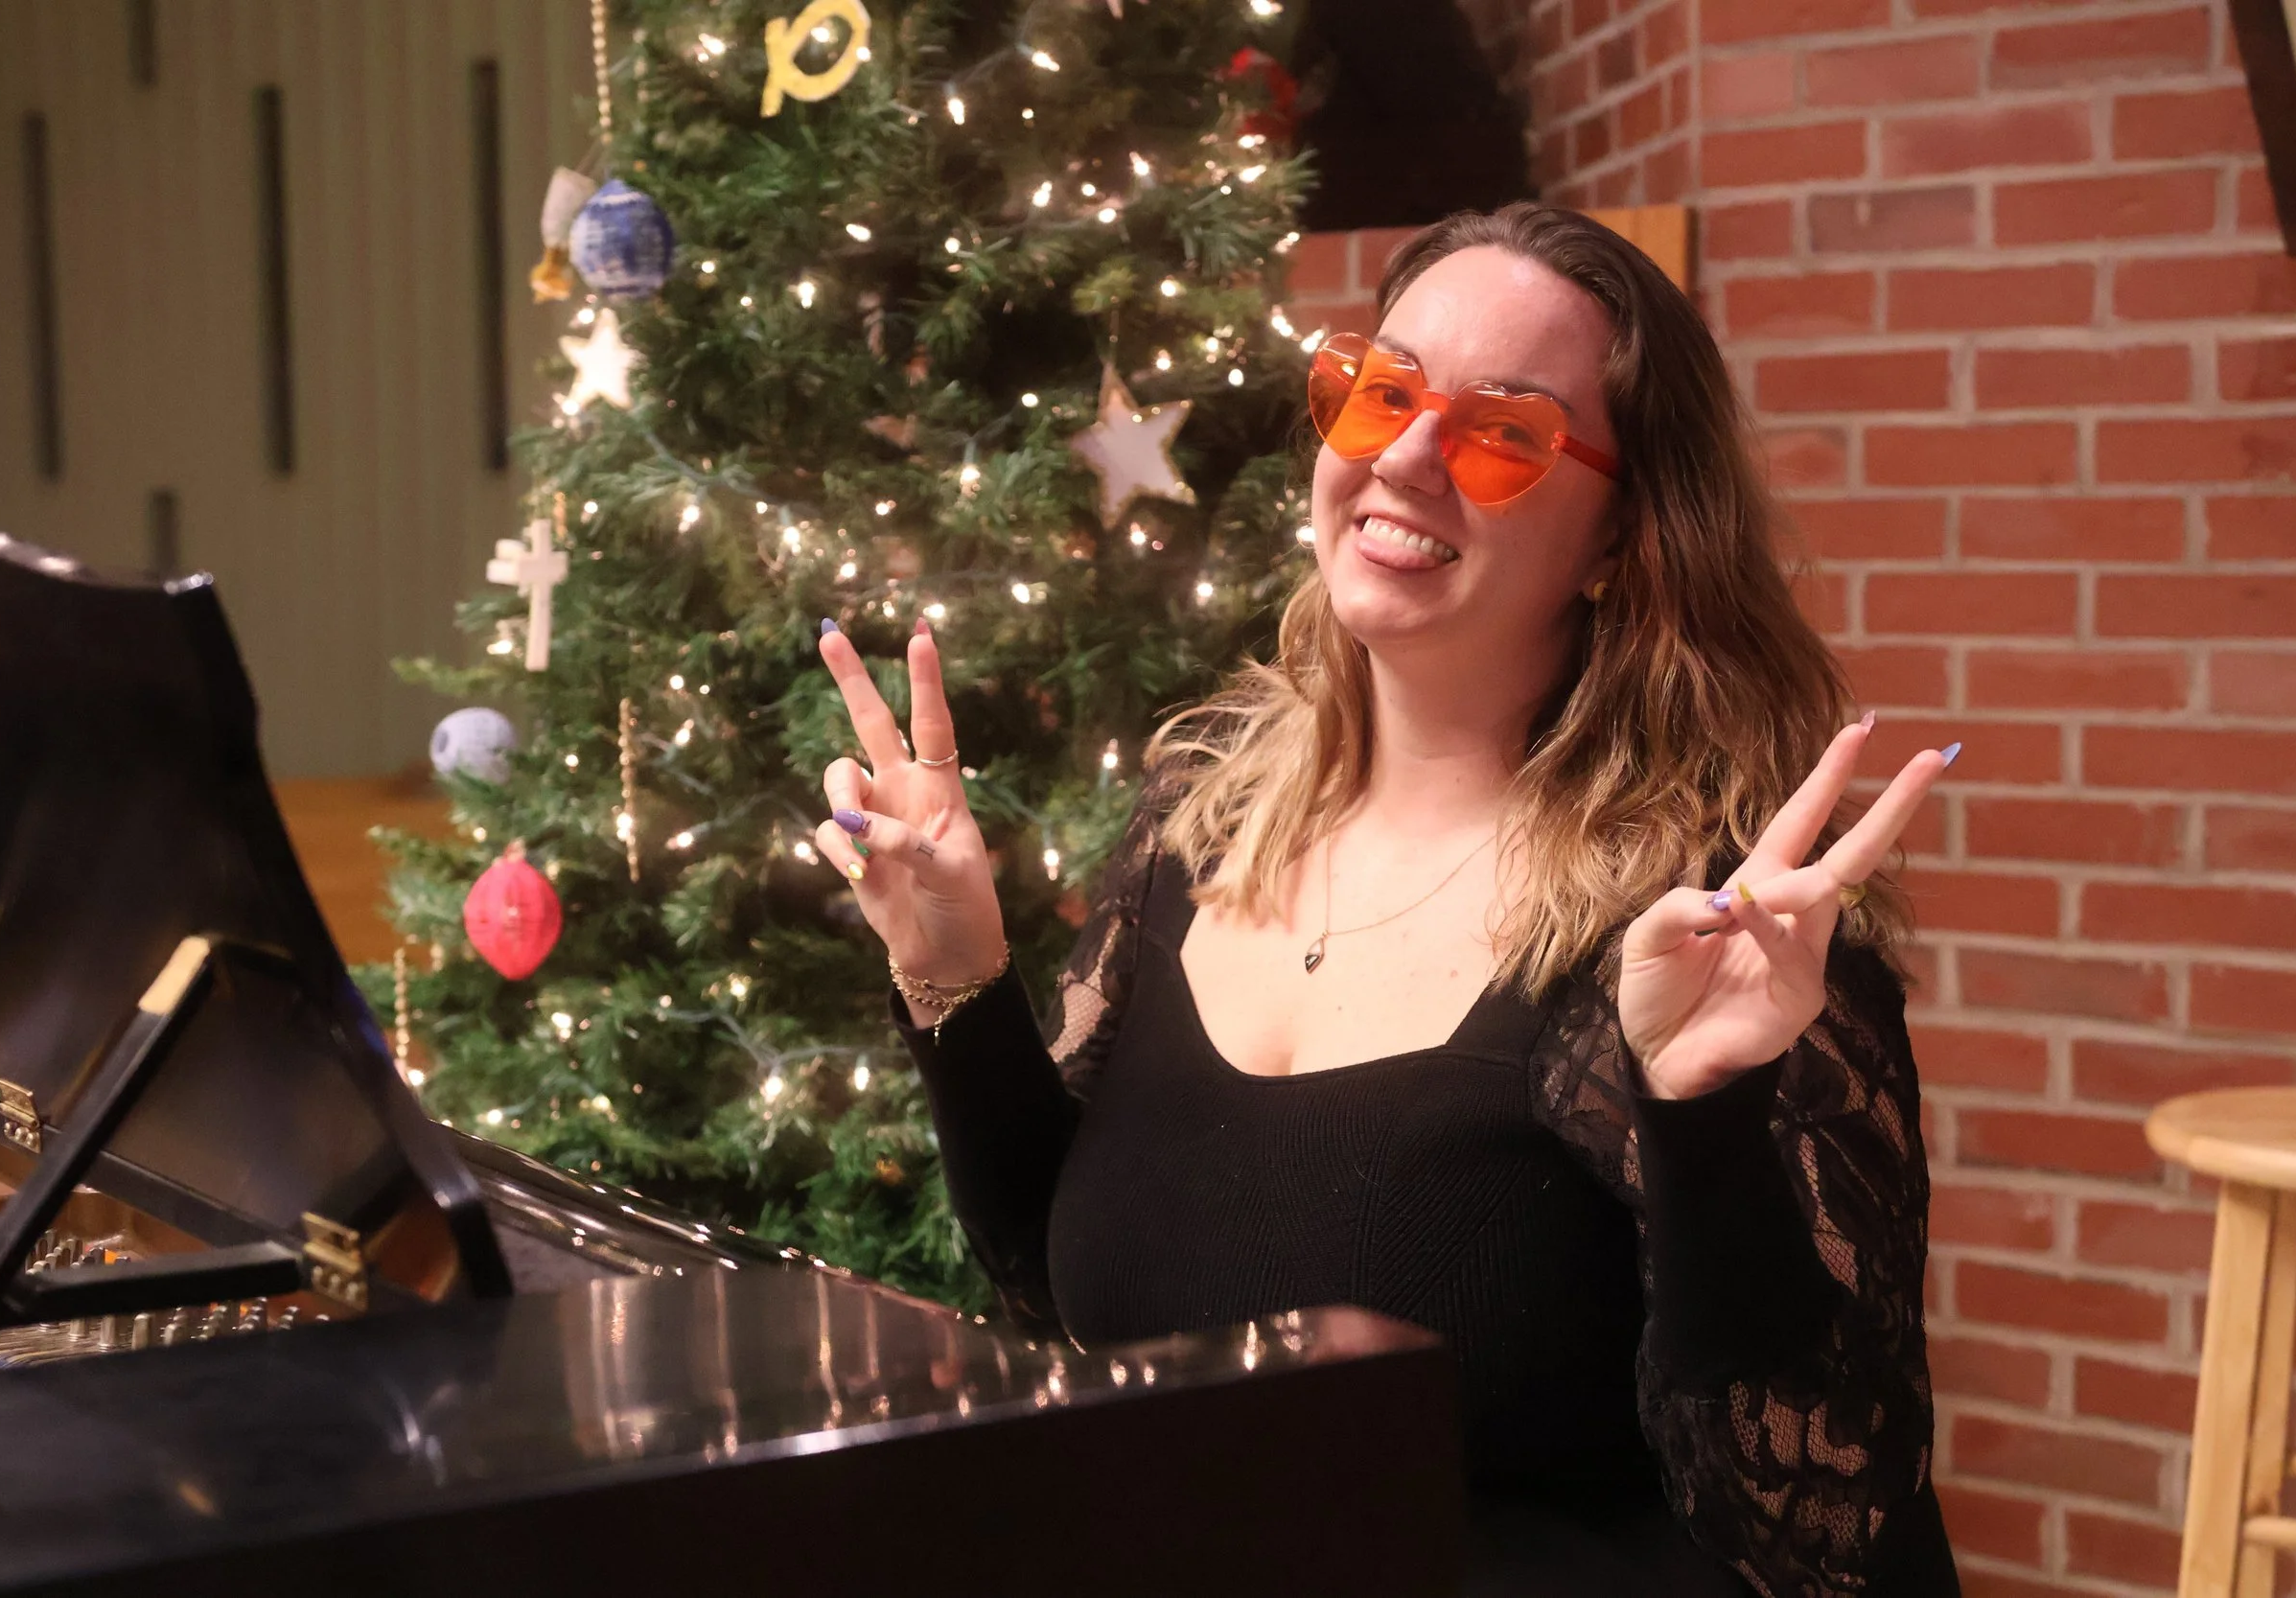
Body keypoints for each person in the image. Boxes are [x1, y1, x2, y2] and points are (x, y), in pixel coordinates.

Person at [810, 202, 1960, 1596]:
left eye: (1504, 432)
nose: (1408, 456)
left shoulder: (1720, 930)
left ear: (1621, 537)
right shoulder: (1199, 822)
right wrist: (958, 977)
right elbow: (1082, 1306)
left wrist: (1703, 1115)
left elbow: (1818, 1530)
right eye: (1381, 389)